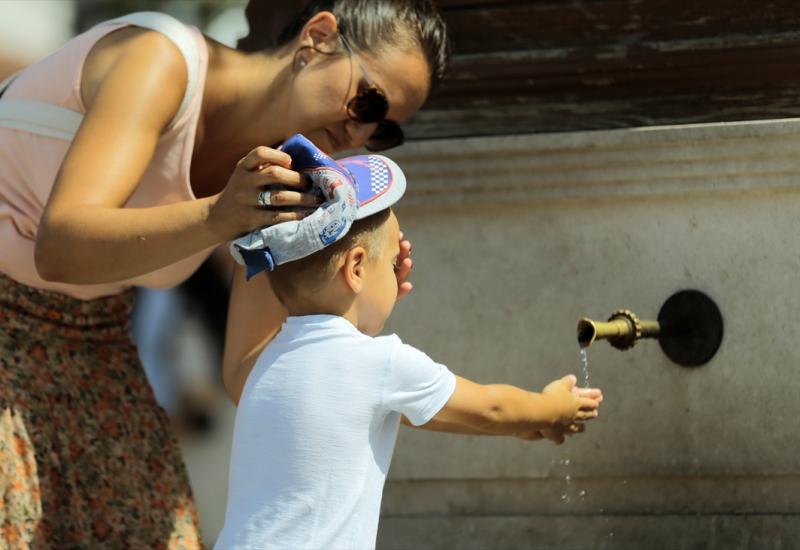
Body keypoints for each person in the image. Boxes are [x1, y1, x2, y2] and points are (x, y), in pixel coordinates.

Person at [0, 0, 448, 546]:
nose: (359, 133)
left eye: (384, 131)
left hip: (92, 345)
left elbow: (248, 374)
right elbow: (61, 247)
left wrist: (357, 307)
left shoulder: (279, 176)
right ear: (320, 36)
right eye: (368, 100)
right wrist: (218, 216)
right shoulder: (159, 60)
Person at [215, 195, 604, 548]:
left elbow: (368, 400)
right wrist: (553, 408)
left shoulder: (269, 360)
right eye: (392, 263)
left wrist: (367, 305)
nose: (399, 272)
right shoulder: (381, 363)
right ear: (356, 269)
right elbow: (490, 409)